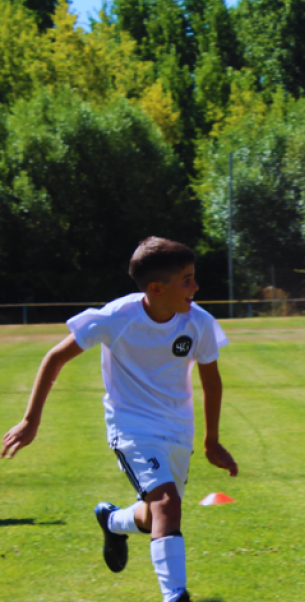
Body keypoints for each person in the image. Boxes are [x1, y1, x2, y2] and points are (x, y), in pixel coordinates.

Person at [1, 237, 237, 602]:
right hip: (131, 427)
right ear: (157, 289)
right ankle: (175, 595)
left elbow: (211, 380)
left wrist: (212, 440)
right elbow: (55, 358)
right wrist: (31, 420)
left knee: (155, 514)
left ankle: (111, 521)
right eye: (187, 279)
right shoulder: (117, 318)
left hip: (177, 430)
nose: (197, 286)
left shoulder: (199, 323)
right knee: (167, 506)